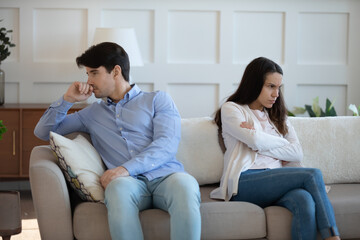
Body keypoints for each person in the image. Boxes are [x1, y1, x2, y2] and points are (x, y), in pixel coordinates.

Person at [34, 42, 201, 240]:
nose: (88, 80)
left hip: (166, 176)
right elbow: (43, 132)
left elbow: (166, 144)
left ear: (115, 71)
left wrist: (125, 169)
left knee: (186, 185)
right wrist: (68, 99)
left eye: (94, 73)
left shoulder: (158, 100)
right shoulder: (91, 113)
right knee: (116, 188)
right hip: (127, 184)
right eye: (87, 74)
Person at [211, 57, 341, 240]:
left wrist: (259, 143)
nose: (276, 94)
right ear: (254, 84)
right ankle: (333, 237)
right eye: (270, 86)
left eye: (278, 87)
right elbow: (256, 140)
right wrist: (272, 143)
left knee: (304, 201)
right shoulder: (232, 109)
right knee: (312, 174)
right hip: (245, 181)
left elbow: (296, 153)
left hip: (277, 180)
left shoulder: (279, 117)